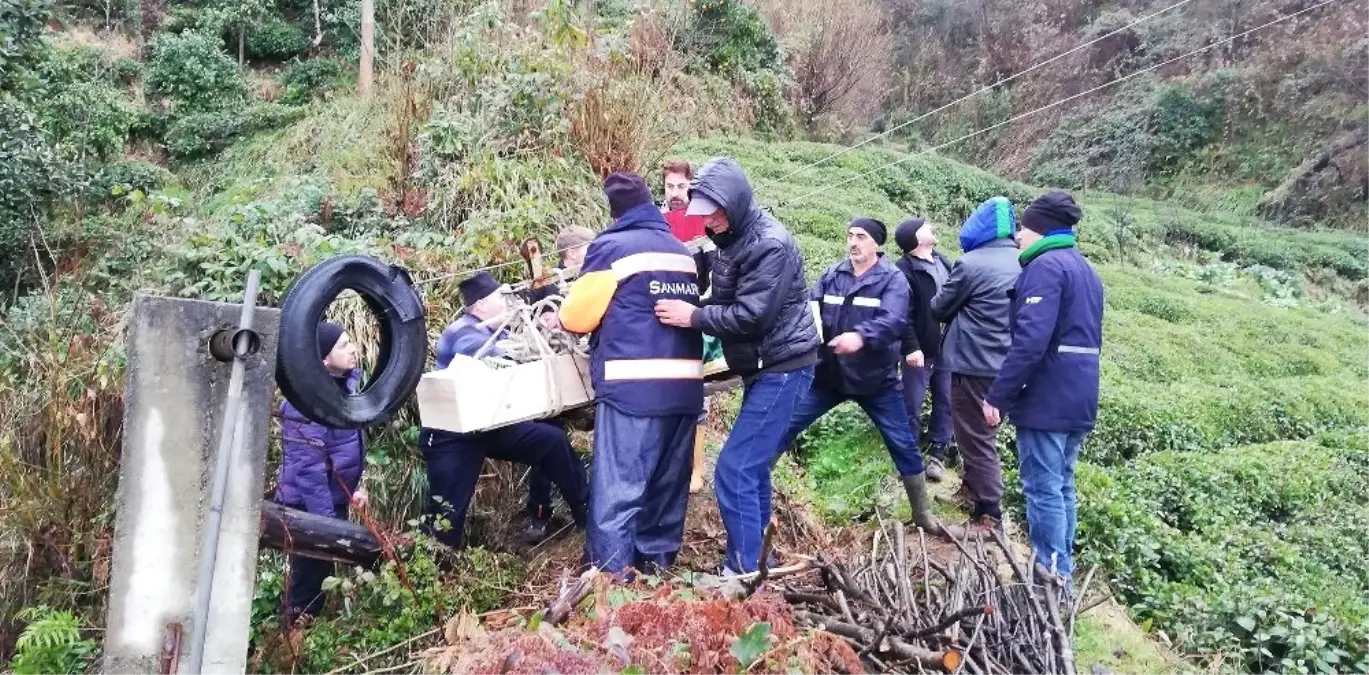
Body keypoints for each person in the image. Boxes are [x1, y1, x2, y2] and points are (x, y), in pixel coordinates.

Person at [654, 157, 820, 575]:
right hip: (763, 367)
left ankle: (743, 570)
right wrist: (697, 307)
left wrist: (692, 316)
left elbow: (752, 316)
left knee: (735, 467)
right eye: (704, 216)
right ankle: (761, 558)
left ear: (736, 205)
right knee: (754, 466)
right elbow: (725, 301)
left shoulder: (770, 244)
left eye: (714, 215)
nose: (709, 224)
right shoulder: (731, 241)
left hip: (784, 367)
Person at [560, 172, 705, 576]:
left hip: (633, 390)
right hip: (684, 391)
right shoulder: (680, 250)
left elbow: (575, 317)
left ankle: (611, 581)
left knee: (618, 492)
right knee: (665, 490)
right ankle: (656, 571)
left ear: (615, 212)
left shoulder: (611, 248)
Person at [777, 218, 942, 534]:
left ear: (876, 244)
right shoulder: (832, 275)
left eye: (861, 237)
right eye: (850, 235)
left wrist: (860, 337)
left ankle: (923, 514)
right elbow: (810, 308)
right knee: (785, 424)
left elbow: (892, 320)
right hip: (829, 376)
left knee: (903, 444)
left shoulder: (893, 280)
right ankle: (759, 488)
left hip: (876, 381)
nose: (853, 242)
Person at [421, 272, 590, 549]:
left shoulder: (500, 329)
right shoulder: (463, 331)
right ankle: (438, 563)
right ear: (481, 305)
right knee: (447, 512)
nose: (511, 303)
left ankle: (586, 512)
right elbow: (494, 353)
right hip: (453, 433)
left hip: (492, 422)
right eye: (503, 297)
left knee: (551, 442)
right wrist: (535, 341)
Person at [984, 191, 1103, 582]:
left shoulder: (1045, 267)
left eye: (1024, 228)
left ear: (1041, 230)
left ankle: (1049, 575)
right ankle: (1061, 570)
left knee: (1043, 488)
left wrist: (998, 396)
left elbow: (1031, 340)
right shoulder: (1085, 269)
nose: (1018, 236)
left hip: (1048, 397)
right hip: (1079, 394)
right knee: (1062, 485)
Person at [930, 196, 1020, 533]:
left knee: (977, 438)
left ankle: (989, 512)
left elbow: (939, 307)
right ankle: (972, 491)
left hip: (974, 363)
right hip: (1010, 365)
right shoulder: (1026, 261)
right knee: (984, 433)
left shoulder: (970, 264)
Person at [275, 321, 367, 624]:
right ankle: (294, 634)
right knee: (308, 576)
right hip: (308, 507)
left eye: (350, 341)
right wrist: (325, 524)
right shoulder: (306, 403)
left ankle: (309, 629)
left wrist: (358, 485)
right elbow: (309, 469)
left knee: (319, 572)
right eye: (343, 345)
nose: (353, 348)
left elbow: (348, 446)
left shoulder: (344, 388)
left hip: (331, 498)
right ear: (323, 358)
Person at [522, 224, 596, 543]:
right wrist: (546, 321)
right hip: (555, 374)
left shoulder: (595, 279)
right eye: (587, 248)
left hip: (592, 371)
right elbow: (527, 319)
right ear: (571, 254)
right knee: (548, 437)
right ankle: (540, 512)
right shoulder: (546, 283)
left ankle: (599, 503)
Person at [660, 158, 718, 494]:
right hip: (663, 317)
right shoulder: (657, 219)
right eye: (670, 186)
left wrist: (700, 312)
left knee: (699, 393)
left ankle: (697, 469)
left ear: (690, 185)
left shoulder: (701, 222)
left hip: (695, 317)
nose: (676, 193)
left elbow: (714, 274)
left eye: (681, 186)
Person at [893, 218, 955, 482]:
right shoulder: (903, 270)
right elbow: (902, 315)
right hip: (920, 350)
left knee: (947, 399)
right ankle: (908, 457)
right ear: (915, 239)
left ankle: (937, 454)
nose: (931, 227)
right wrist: (911, 347)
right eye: (925, 226)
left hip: (949, 347)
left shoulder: (944, 262)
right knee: (912, 402)